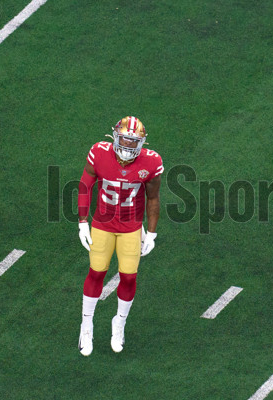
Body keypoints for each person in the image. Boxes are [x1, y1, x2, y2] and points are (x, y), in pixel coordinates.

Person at [77, 116, 163, 356]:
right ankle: (86, 325)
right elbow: (86, 184)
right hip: (103, 224)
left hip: (131, 227)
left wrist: (152, 232)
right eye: (124, 140)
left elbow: (153, 197)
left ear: (142, 142)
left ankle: (120, 324)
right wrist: (82, 222)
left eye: (133, 142)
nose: (128, 147)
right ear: (115, 136)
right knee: (96, 272)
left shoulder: (151, 162)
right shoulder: (99, 152)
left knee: (128, 277)